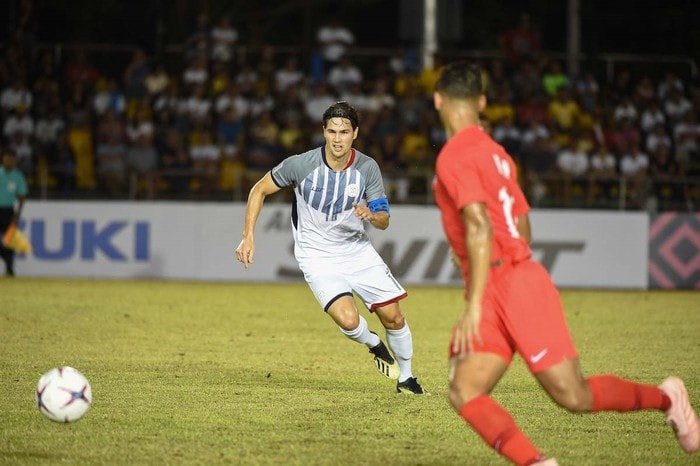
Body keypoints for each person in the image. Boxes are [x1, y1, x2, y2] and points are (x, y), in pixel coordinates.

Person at [431, 61, 699, 465]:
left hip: (508, 284)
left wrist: (473, 303)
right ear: (482, 102)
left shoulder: (453, 155)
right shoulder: (499, 155)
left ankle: (668, 398)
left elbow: (480, 228)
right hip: (505, 280)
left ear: (438, 100)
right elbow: (523, 226)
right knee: (465, 389)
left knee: (574, 395)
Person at [235, 101, 426, 395]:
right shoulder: (301, 164)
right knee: (350, 322)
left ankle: (408, 378)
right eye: (333, 131)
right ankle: (373, 343)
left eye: (344, 132)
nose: (338, 139)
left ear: (355, 134)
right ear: (324, 132)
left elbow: (384, 220)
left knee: (394, 317)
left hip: (357, 251)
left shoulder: (367, 168)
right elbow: (259, 189)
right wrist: (248, 236)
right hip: (316, 256)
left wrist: (371, 215)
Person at [0, 147, 28, 277]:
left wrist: (18, 214)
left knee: (9, 241)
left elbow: (22, 196)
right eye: (7, 158)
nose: (9, 161)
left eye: (12, 159)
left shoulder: (18, 176)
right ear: (3, 160)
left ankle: (9, 268)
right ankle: (7, 262)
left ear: (15, 160)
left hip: (8, 211)